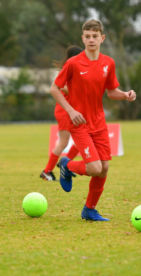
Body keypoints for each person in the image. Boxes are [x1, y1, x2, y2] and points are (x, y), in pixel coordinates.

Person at [50, 19, 136, 221]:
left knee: (104, 168)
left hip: (99, 123)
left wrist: (126, 95)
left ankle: (89, 210)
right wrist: (71, 111)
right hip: (79, 125)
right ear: (82, 38)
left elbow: (112, 91)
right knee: (95, 168)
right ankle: (67, 165)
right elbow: (54, 88)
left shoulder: (109, 63)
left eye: (95, 36)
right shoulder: (73, 63)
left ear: (102, 38)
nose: (91, 40)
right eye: (87, 36)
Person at [40, 46, 83, 181]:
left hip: (72, 112)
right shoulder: (67, 70)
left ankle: (65, 163)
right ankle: (47, 171)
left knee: (82, 140)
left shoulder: (76, 70)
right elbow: (60, 87)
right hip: (65, 111)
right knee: (63, 143)